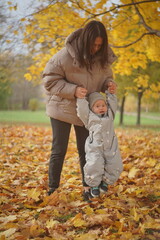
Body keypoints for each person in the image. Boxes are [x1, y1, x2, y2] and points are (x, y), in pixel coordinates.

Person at [42, 20, 117, 198]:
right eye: (93, 45)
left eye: (100, 45)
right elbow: (49, 81)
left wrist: (109, 85)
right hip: (62, 108)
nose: (96, 48)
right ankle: (53, 189)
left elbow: (106, 77)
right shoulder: (64, 56)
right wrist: (73, 90)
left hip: (86, 111)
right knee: (59, 149)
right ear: (85, 40)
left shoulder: (102, 57)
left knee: (88, 150)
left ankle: (88, 188)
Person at [76, 91, 123, 198]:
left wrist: (111, 94)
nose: (101, 107)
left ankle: (106, 182)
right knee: (94, 164)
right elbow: (82, 110)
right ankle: (95, 185)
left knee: (115, 164)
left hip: (111, 147)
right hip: (95, 147)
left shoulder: (110, 115)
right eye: (97, 106)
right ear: (91, 108)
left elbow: (113, 104)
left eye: (103, 105)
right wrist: (81, 99)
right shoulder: (89, 118)